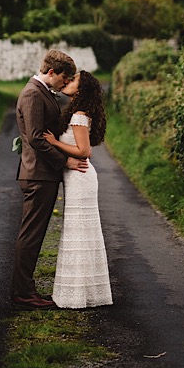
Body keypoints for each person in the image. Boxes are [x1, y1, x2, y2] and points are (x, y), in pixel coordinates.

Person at [12, 49, 88, 310]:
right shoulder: (33, 93)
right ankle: (22, 292)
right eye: (64, 79)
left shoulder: (41, 92)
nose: (65, 84)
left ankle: (25, 289)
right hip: (38, 174)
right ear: (51, 72)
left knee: (35, 234)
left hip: (42, 174)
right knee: (31, 235)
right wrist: (65, 161)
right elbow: (35, 138)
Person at [41, 70, 113, 309]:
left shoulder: (79, 115)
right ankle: (84, 293)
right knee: (79, 233)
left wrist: (54, 143)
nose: (67, 81)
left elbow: (84, 151)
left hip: (81, 177)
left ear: (80, 91)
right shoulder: (76, 112)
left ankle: (79, 295)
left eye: (73, 81)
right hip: (77, 177)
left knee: (79, 233)